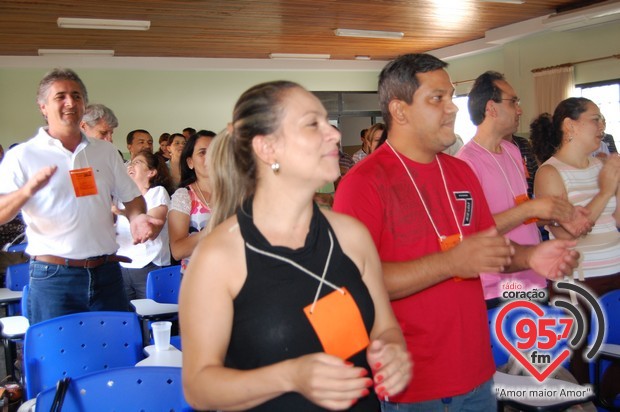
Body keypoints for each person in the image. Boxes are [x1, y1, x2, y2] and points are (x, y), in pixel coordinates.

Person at [333, 53, 579, 410]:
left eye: (451, 97)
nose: (452, 109)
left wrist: (531, 256)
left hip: (477, 373)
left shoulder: (459, 172)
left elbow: (485, 249)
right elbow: (358, 283)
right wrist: (451, 263)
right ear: (400, 111)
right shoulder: (364, 183)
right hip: (415, 384)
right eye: (437, 98)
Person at [180, 81, 411, 411]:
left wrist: (391, 350)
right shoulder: (219, 257)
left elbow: (384, 327)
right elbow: (199, 387)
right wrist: (289, 376)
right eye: (312, 124)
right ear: (267, 149)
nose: (332, 134)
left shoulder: (351, 235)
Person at [0, 68, 161, 324]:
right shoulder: (23, 156)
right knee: (57, 356)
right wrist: (26, 191)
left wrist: (137, 217)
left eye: (76, 96)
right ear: (43, 107)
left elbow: (131, 198)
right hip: (54, 277)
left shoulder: (105, 152)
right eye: (60, 96)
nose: (70, 102)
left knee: (114, 354)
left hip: (107, 272)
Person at [457, 71, 591, 303]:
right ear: (491, 108)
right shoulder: (465, 163)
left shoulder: (512, 150)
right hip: (496, 288)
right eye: (513, 102)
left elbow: (521, 212)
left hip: (535, 276)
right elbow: (473, 232)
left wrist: (558, 215)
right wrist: (531, 209)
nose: (519, 110)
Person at [530, 97, 620, 403]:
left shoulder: (602, 166)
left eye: (603, 119)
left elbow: (616, 219)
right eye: (595, 119)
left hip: (615, 273)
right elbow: (572, 229)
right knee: (585, 365)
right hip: (580, 284)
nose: (602, 126)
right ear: (570, 126)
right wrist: (607, 189)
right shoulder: (550, 173)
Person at [116, 150, 173, 300]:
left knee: (153, 318)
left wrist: (121, 212)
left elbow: (151, 230)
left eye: (137, 162)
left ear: (151, 172)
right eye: (130, 162)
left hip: (149, 265)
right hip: (123, 266)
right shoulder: (119, 197)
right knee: (128, 318)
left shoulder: (157, 193)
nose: (131, 166)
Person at [168, 130, 215, 272]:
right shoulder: (184, 196)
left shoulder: (237, 193)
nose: (210, 157)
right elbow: (177, 251)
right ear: (190, 162)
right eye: (202, 152)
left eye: (215, 150)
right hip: (197, 279)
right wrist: (214, 228)